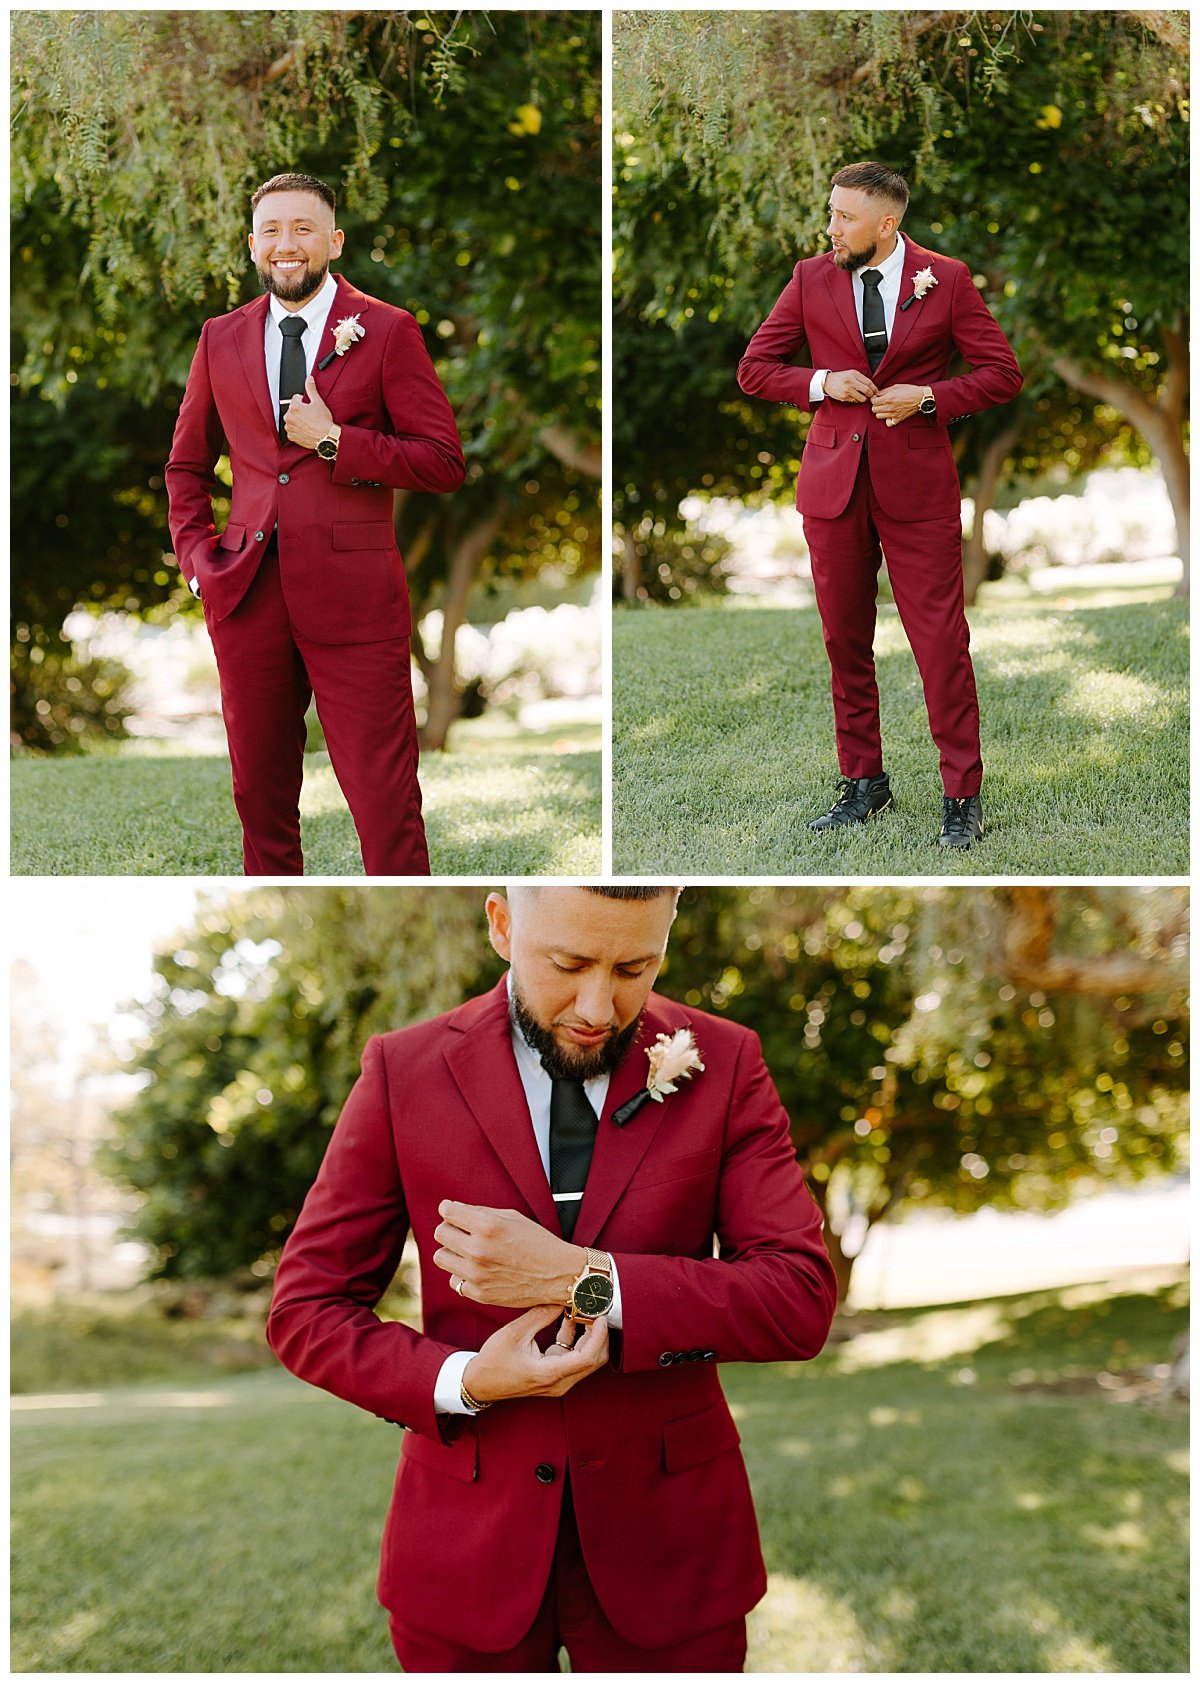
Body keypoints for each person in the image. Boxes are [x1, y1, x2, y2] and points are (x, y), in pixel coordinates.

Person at [267, 885, 837, 1672]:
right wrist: (466, 1379)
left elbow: (798, 1298)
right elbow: (306, 1310)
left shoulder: (726, 1059)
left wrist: (581, 1277)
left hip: (671, 1550)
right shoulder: (404, 1069)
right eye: (568, 963)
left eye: (634, 966)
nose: (599, 1006)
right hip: (465, 1552)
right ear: (503, 924)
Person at [166, 172, 465, 876]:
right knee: (259, 799)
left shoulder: (388, 330)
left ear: (333, 240)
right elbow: (186, 467)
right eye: (271, 231)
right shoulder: (220, 338)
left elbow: (443, 461)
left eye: (302, 228)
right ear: (252, 246)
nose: (286, 244)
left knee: (385, 803)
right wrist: (197, 560)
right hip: (245, 596)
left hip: (356, 599)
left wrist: (336, 440)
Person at [737, 160, 1022, 849]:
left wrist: (930, 398)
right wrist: (823, 381)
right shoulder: (810, 278)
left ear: (886, 223)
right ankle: (864, 784)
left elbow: (1001, 373)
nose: (830, 226)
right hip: (832, 488)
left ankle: (962, 794)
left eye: (844, 216)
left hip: (917, 490)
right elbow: (756, 369)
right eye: (831, 212)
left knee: (941, 643)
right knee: (844, 640)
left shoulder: (946, 279)